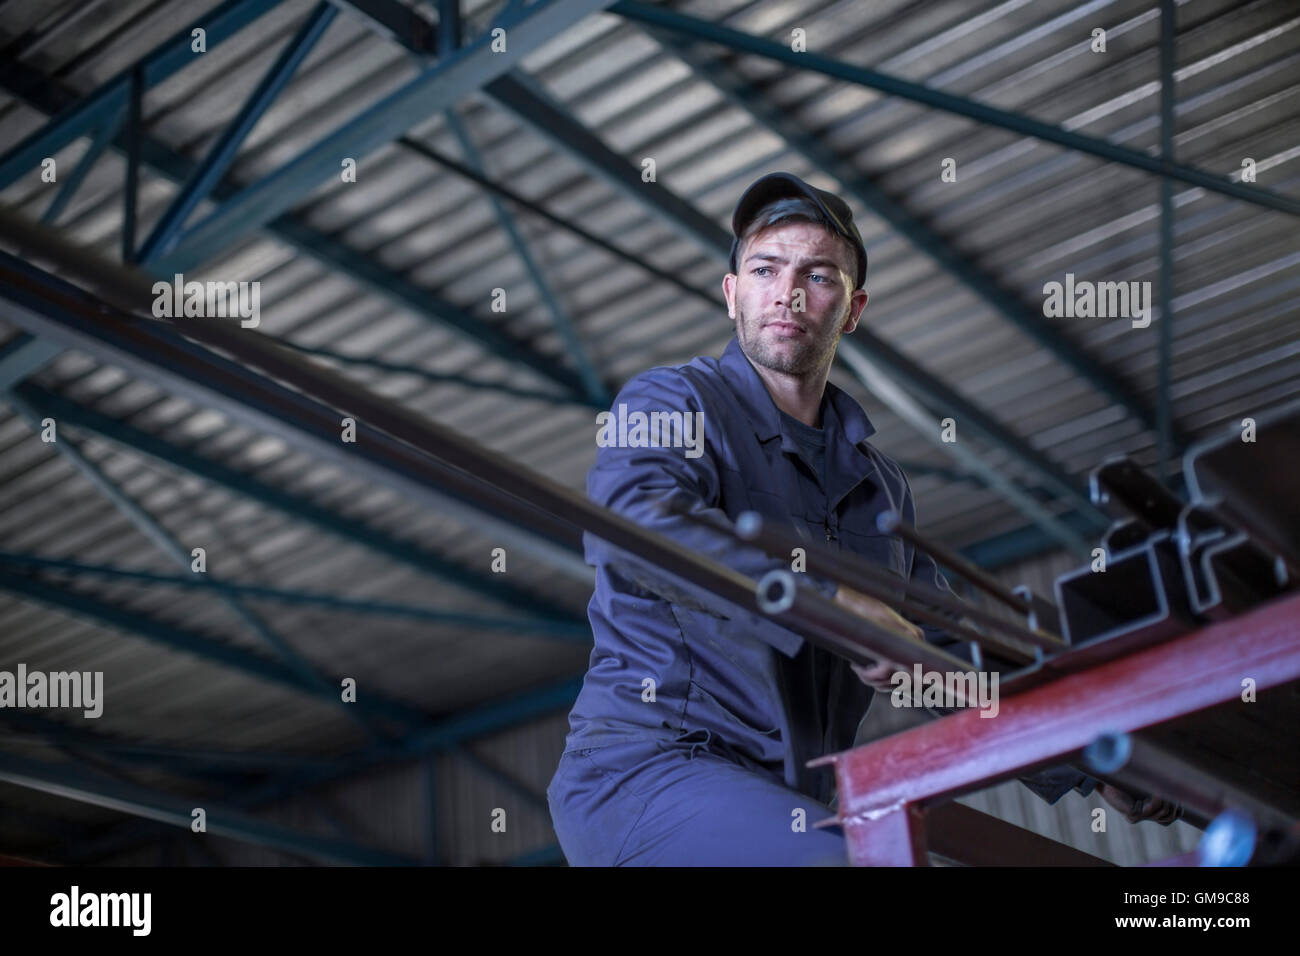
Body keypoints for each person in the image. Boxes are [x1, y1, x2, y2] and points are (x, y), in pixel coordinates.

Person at [545, 172, 1155, 866]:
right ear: (731, 293)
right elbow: (635, 522)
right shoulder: (674, 403)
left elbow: (936, 648)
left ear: (853, 309)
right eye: (765, 269)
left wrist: (1084, 757)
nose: (790, 292)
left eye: (819, 274)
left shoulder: (878, 485)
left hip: (791, 796)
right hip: (648, 772)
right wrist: (828, 602)